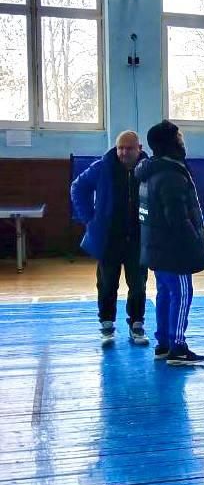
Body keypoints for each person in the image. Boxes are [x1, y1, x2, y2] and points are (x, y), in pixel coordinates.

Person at [136, 120, 204, 366]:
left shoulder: (150, 171)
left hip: (156, 248)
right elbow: (177, 217)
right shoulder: (170, 175)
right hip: (173, 251)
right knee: (181, 294)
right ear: (171, 142)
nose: (182, 141)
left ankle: (164, 344)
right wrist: (194, 242)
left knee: (166, 294)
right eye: (179, 137)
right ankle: (177, 346)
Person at [70, 131, 150, 347]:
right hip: (109, 238)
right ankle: (106, 326)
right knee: (106, 284)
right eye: (120, 148)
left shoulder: (148, 169)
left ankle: (137, 324)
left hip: (138, 238)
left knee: (138, 284)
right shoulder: (102, 167)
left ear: (139, 148)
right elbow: (78, 187)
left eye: (129, 148)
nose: (123, 152)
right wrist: (89, 218)